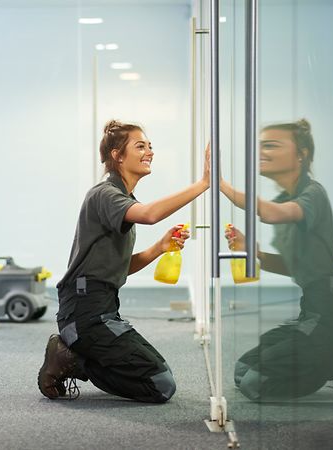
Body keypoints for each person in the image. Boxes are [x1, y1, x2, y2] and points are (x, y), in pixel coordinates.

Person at [37, 120, 210, 402]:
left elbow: (115, 268)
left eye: (150, 146)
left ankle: (77, 355)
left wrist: (159, 248)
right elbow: (150, 214)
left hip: (102, 309)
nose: (149, 151)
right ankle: (72, 358)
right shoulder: (105, 194)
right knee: (160, 385)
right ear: (117, 155)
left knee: (159, 377)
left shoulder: (121, 197)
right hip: (84, 314)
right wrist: (203, 183)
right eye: (140, 146)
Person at [221, 119, 333, 400]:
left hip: (328, 317)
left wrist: (221, 185)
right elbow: (296, 266)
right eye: (260, 145)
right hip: (309, 313)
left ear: (301, 154)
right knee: (243, 371)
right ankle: (328, 355)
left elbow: (273, 213)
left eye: (271, 145)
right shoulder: (288, 196)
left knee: (255, 384)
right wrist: (257, 254)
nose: (261, 152)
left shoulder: (313, 194)